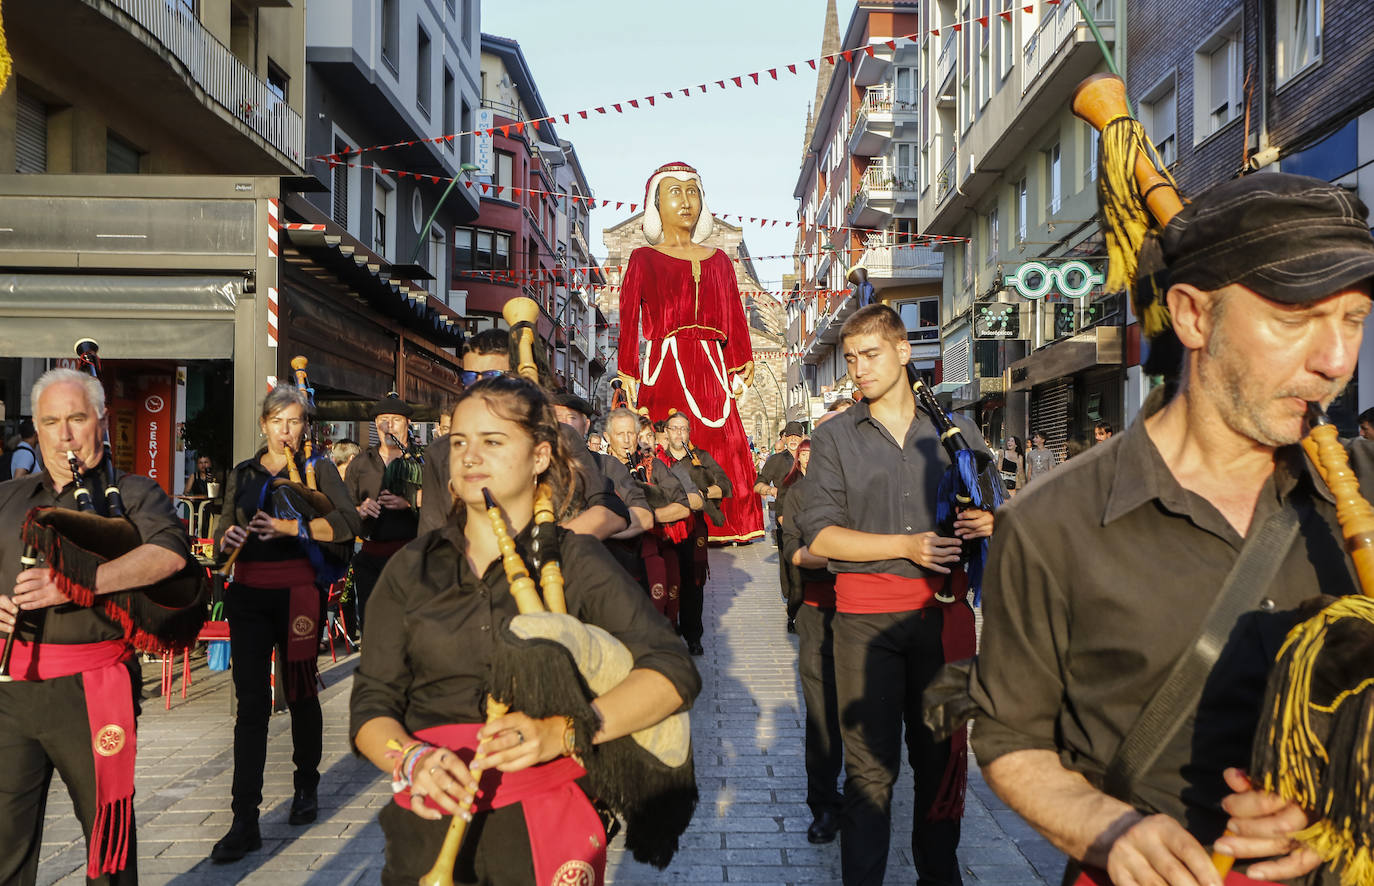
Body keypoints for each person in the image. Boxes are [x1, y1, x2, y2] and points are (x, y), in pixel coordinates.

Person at [969, 173, 1374, 886]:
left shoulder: (1367, 487)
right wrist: (1110, 829)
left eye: (1353, 319)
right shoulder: (1049, 523)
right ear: (1191, 315)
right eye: (1293, 319)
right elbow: (1009, 739)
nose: (1335, 360)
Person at [349, 375, 700, 886]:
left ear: (539, 457)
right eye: (460, 442)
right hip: (428, 826)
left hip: (548, 826)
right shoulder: (413, 568)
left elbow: (673, 674)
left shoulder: (574, 560)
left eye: (493, 442)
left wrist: (564, 732)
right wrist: (411, 758)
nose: (469, 457)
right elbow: (370, 706)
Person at [799, 304, 994, 886]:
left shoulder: (955, 429)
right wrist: (907, 547)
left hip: (943, 619)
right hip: (864, 624)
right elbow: (821, 535)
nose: (857, 368)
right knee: (869, 775)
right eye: (851, 358)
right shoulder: (834, 436)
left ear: (904, 352)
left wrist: (988, 522)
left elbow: (992, 505)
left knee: (940, 770)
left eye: (870, 354)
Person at [0, 368, 191, 885]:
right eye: (51, 422)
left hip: (92, 690)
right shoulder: (7, 498)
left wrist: (77, 583)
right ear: (35, 430)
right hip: (12, 694)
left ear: (102, 422)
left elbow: (170, 557)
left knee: (107, 848)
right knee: (4, 848)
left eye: (77, 418)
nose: (64, 435)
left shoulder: (133, 493)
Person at [210, 383, 360, 862]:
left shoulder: (317, 470)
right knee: (251, 703)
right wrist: (228, 537)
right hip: (250, 593)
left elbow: (348, 524)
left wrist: (289, 527)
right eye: (278, 421)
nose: (286, 430)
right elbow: (219, 542)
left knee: (298, 691)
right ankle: (244, 817)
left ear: (304, 426)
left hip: (298, 591)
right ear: (264, 426)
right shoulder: (245, 473)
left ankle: (305, 785)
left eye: (294, 421)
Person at [616, 161, 764, 543]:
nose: (686, 201)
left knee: (727, 443)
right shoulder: (642, 259)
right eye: (675, 192)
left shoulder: (720, 261)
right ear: (656, 203)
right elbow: (629, 318)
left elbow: (733, 314)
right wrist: (628, 368)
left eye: (693, 191)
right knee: (668, 441)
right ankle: (674, 514)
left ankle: (729, 522)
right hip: (666, 362)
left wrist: (741, 360)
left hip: (713, 365)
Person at [417, 329, 629, 540]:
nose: (479, 389)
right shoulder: (441, 450)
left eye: (493, 377)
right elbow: (430, 537)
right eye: (470, 377)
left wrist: (550, 549)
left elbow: (611, 511)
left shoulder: (561, 437)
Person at [779, 433, 843, 846]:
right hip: (819, 610)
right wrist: (852, 555)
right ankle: (822, 804)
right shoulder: (799, 495)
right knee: (822, 716)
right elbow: (795, 553)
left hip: (870, 611)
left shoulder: (862, 487)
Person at [344, 394, 422, 638]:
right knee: (374, 631)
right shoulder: (360, 464)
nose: (388, 426)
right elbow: (345, 511)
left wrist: (409, 502)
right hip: (371, 558)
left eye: (395, 420)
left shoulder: (422, 461)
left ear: (408, 423)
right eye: (382, 420)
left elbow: (445, 502)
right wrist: (360, 510)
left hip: (411, 558)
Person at [604, 408, 691, 620]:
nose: (626, 440)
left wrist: (647, 515)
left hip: (649, 549)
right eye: (619, 434)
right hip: (608, 553)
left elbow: (682, 506)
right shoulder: (595, 466)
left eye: (631, 434)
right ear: (607, 437)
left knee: (656, 611)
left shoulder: (653, 465)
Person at [662, 411, 731, 656]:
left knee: (693, 584)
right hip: (666, 530)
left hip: (694, 529)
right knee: (668, 580)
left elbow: (725, 486)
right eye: (675, 428)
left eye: (684, 429)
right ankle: (669, 631)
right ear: (666, 432)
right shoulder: (658, 459)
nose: (680, 433)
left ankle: (694, 635)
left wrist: (702, 494)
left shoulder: (701, 458)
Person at [756, 421, 805, 630]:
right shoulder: (776, 460)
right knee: (790, 565)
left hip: (810, 518)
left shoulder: (812, 456)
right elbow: (758, 484)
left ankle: (801, 610)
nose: (793, 439)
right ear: (784, 438)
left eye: (797, 435)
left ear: (802, 437)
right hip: (785, 517)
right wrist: (772, 491)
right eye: (789, 435)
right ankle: (792, 606)